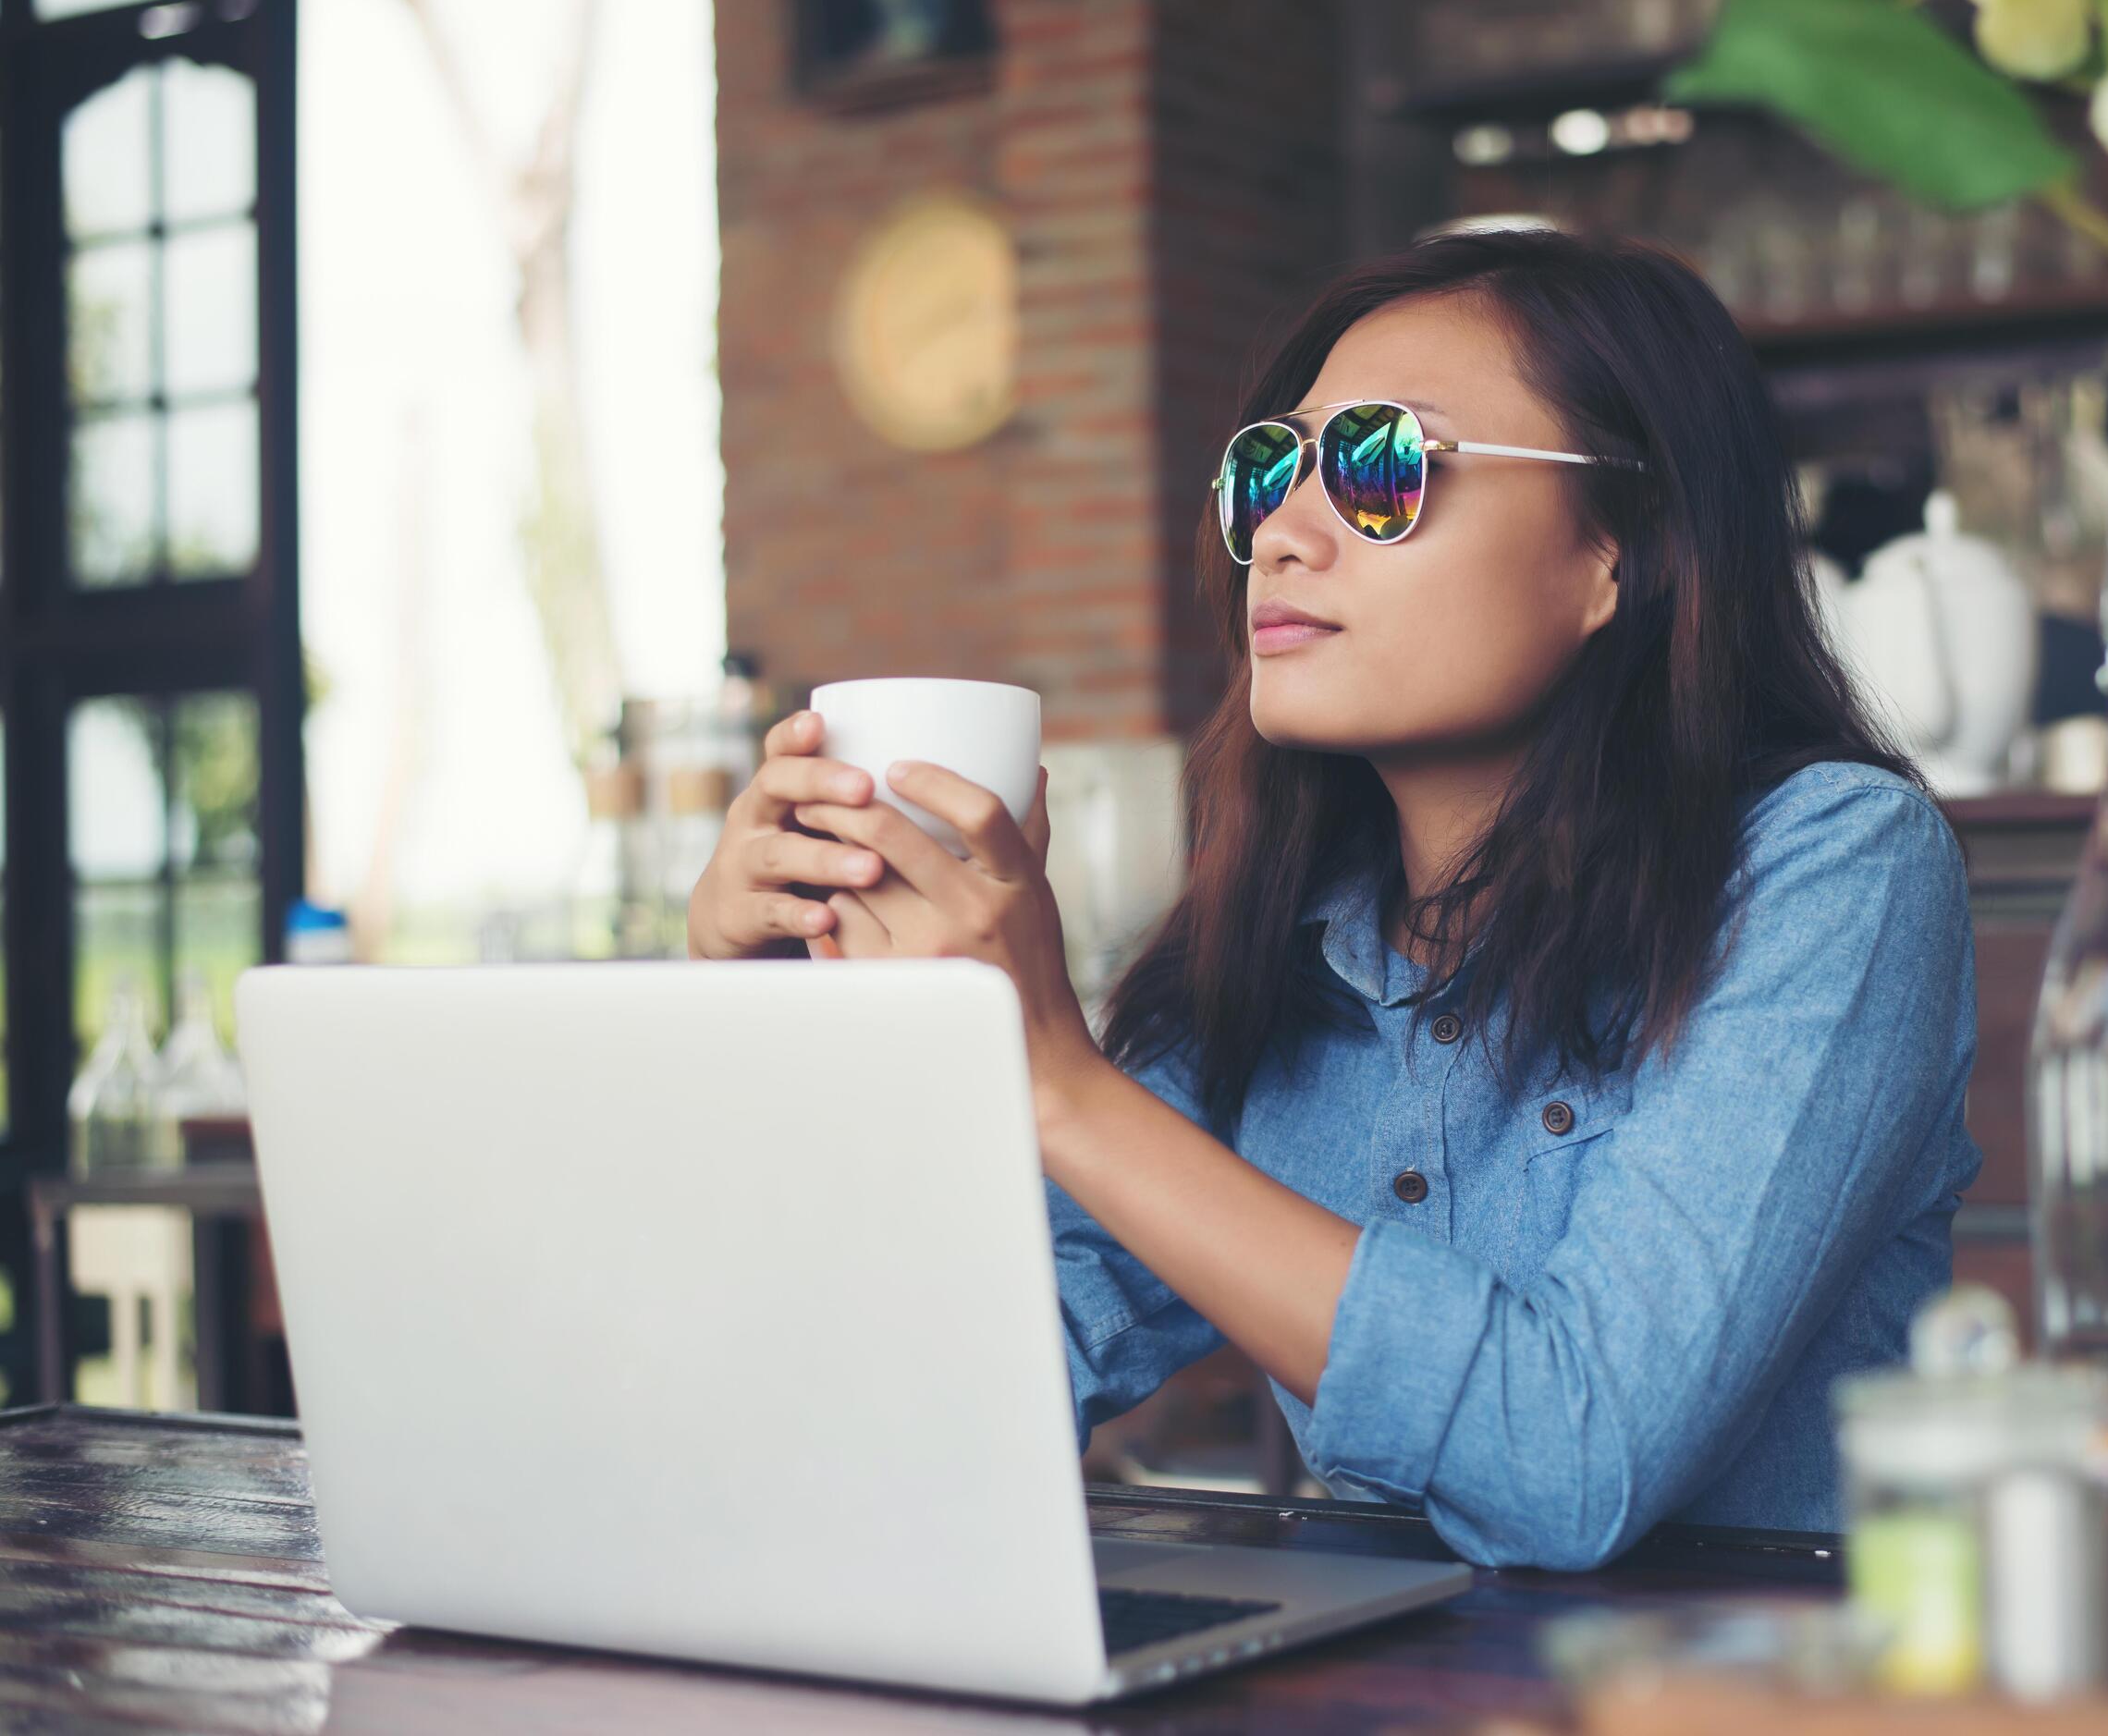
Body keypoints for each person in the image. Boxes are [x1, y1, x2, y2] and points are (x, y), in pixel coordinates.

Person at [687, 228, 1980, 1570]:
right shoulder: (1281, 944)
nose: (1284, 537)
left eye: (1381, 466)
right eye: (1266, 472)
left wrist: (1060, 1081)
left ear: (1618, 552)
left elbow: (1575, 1456)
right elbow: (931, 1391)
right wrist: (770, 1009)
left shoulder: (1833, 866)